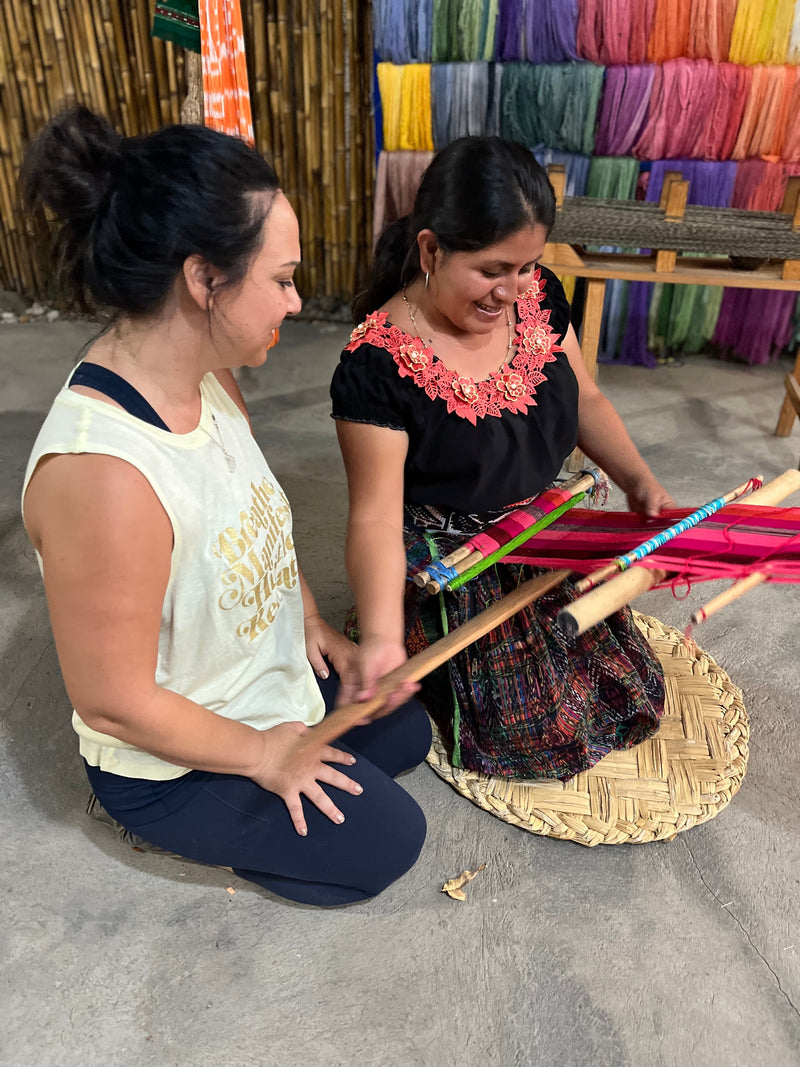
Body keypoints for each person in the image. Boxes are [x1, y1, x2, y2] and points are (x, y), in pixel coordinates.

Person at [20, 107, 430, 907]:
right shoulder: (103, 475)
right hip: (168, 761)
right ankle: (182, 818)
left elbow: (255, 513)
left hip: (260, 677)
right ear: (204, 277)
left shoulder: (208, 369)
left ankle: (283, 728)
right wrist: (264, 754)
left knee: (406, 731)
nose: (296, 299)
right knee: (389, 843)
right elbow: (112, 700)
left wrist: (309, 624)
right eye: (281, 278)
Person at [331, 136, 672, 781]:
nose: (510, 291)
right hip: (455, 556)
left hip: (541, 527)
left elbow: (586, 397)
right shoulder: (377, 364)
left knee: (625, 683)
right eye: (491, 270)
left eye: (524, 267)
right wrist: (379, 638)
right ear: (431, 250)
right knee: (533, 726)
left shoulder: (538, 296)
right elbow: (374, 516)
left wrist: (637, 479)